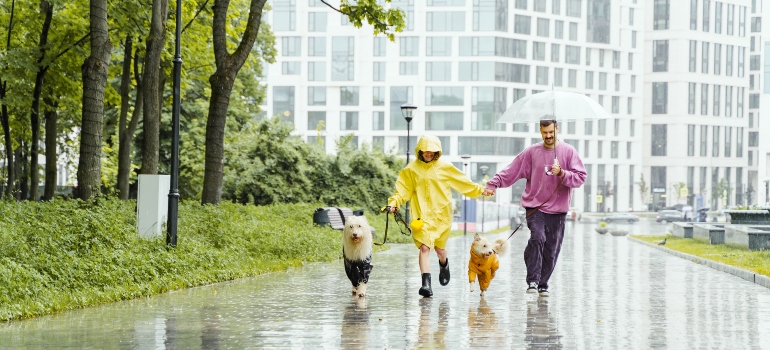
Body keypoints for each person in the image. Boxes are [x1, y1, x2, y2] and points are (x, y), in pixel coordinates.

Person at [482, 119, 586, 297]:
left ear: (557, 130)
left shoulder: (569, 152)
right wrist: (493, 184)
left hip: (558, 211)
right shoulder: (532, 152)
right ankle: (532, 280)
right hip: (535, 208)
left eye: (551, 132)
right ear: (540, 131)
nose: (548, 136)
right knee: (537, 238)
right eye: (545, 132)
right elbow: (512, 170)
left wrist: (562, 173)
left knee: (551, 250)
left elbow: (580, 177)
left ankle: (543, 283)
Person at [388, 135, 484, 298]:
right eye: (426, 150)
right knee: (424, 247)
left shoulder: (445, 167)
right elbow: (403, 190)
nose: (429, 153)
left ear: (437, 151)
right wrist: (394, 202)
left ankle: (444, 264)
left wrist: (481, 190)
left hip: (441, 215)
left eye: (432, 151)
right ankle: (426, 284)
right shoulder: (411, 169)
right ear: (420, 150)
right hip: (421, 217)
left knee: (439, 249)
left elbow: (463, 183)